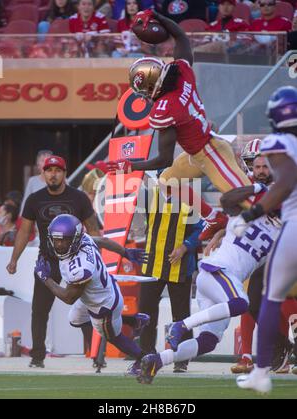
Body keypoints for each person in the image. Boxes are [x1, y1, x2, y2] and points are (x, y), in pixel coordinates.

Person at [100, 9, 250, 236]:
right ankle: (214, 218)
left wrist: (130, 166)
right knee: (168, 181)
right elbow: (181, 37)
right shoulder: (181, 72)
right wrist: (157, 17)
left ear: (149, 88)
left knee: (248, 198)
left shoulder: (165, 109)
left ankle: (284, 221)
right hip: (196, 152)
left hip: (211, 152)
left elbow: (164, 158)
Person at [137, 183, 281, 384]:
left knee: (208, 342)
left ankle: (157, 360)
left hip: (222, 284)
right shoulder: (247, 208)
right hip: (218, 270)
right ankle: (180, 325)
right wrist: (258, 188)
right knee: (241, 303)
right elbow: (226, 200)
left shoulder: (283, 233)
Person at [6, 156, 102, 368]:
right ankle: (37, 356)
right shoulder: (34, 199)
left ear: (64, 173)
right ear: (43, 174)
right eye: (48, 170)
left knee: (89, 307)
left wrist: (97, 259)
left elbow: (93, 229)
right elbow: (24, 231)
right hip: (47, 262)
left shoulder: (78, 198)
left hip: (77, 261)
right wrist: (14, 260)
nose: (53, 174)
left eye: (57, 170)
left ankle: (96, 354)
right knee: (39, 310)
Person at [231, 86, 297, 394]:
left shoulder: (278, 143)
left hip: (293, 227)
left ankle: (261, 371)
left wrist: (250, 214)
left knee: (271, 296)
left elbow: (283, 183)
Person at [34, 214, 149, 373]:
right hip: (92, 293)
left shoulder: (82, 268)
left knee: (112, 337)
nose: (58, 244)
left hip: (102, 303)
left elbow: (68, 297)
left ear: (74, 239)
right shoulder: (83, 239)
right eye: (55, 239)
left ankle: (144, 359)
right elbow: (103, 241)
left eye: (63, 240)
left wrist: (45, 279)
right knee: (74, 319)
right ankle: (134, 320)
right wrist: (125, 252)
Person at [139, 175, 204, 373]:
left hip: (180, 264)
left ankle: (182, 358)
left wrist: (185, 246)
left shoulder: (190, 198)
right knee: (146, 312)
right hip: (152, 262)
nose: (165, 180)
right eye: (162, 177)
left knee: (181, 315)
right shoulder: (149, 196)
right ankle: (146, 354)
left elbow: (201, 229)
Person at [20, 150, 53, 214]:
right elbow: (26, 201)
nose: (46, 163)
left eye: (48, 160)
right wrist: (21, 217)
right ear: (38, 165)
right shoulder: (32, 181)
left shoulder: (62, 180)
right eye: (43, 160)